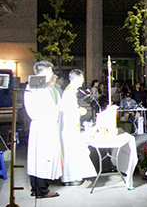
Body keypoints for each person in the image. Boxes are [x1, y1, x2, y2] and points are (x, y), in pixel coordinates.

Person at [25, 61, 62, 198]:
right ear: (44, 72)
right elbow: (41, 109)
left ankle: (36, 188)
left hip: (42, 126)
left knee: (37, 158)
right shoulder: (37, 86)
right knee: (42, 159)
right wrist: (56, 109)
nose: (53, 75)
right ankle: (42, 190)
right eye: (51, 72)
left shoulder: (37, 86)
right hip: (43, 125)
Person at [59, 69, 96, 186]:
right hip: (69, 128)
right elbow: (68, 110)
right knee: (70, 153)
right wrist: (80, 111)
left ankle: (74, 176)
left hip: (72, 126)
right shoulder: (69, 92)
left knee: (73, 153)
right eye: (82, 78)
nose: (83, 81)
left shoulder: (72, 91)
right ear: (77, 78)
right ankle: (70, 178)